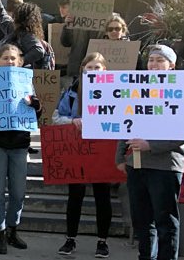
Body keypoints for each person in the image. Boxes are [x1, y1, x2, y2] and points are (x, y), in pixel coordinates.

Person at [117, 45, 184, 260]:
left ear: (171, 66)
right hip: (137, 165)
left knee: (165, 221)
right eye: (151, 60)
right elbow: (124, 121)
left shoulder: (183, 91)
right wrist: (120, 156)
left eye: (159, 60)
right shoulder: (136, 89)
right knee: (142, 221)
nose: (153, 64)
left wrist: (150, 144)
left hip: (165, 166)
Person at [0, 44, 42, 255]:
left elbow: (36, 114)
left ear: (20, 62)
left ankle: (12, 230)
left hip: (19, 145)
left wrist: (34, 104)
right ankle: (0, 233)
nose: (9, 61)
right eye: (5, 58)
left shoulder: (26, 83)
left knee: (18, 193)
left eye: (13, 58)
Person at [52, 52, 113, 258]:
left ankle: (102, 242)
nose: (93, 71)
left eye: (97, 68)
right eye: (90, 67)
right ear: (82, 69)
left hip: (102, 150)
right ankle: (70, 239)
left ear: (105, 70)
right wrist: (72, 121)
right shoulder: (71, 92)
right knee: (75, 196)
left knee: (102, 196)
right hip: (76, 150)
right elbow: (56, 118)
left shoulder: (115, 91)